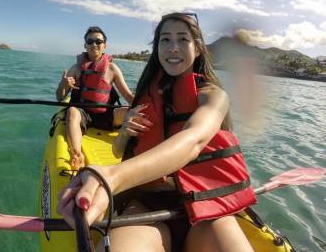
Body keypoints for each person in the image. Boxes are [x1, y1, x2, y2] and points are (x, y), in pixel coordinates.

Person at [58, 13, 256, 252]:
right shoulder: (146, 96)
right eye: (165, 40)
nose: (173, 48)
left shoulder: (214, 97)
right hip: (146, 206)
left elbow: (194, 140)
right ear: (157, 47)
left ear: (198, 48)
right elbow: (118, 150)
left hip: (206, 207)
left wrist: (112, 177)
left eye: (183, 39)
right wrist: (124, 132)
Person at [56, 26, 134, 170]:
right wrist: (63, 85)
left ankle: (135, 152)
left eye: (98, 41)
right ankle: (77, 154)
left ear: (104, 45)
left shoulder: (112, 69)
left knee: (132, 113)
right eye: (90, 41)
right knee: (72, 111)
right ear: (85, 45)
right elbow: (60, 98)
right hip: (83, 114)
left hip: (106, 115)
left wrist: (143, 106)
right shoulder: (76, 68)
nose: (94, 45)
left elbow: (128, 96)